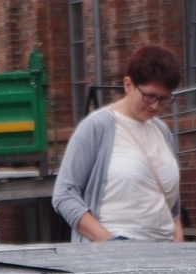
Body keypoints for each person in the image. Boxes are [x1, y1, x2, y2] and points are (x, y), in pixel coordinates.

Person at [53, 44, 185, 242]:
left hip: (164, 259)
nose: (156, 105)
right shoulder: (97, 127)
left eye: (164, 98)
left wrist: (180, 250)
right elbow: (64, 195)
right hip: (113, 259)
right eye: (149, 96)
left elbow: (172, 208)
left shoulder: (162, 132)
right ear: (128, 84)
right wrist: (111, 242)